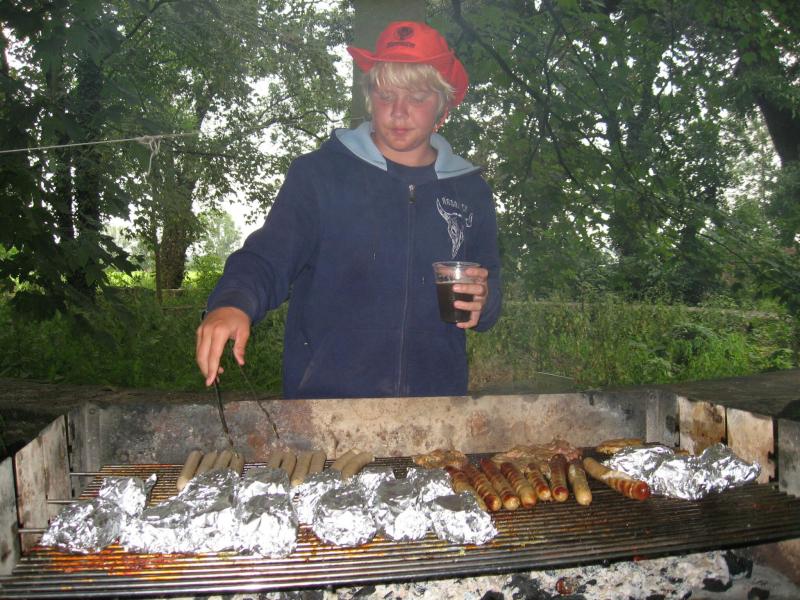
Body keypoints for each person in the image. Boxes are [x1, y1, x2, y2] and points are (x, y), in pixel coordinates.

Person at [196, 20, 502, 399]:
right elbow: (268, 256)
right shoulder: (319, 175)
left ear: (442, 104)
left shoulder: (470, 190)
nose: (399, 112)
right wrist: (232, 303)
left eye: (417, 97)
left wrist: (485, 301)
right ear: (369, 96)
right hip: (326, 404)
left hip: (435, 405)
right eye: (386, 95)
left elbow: (489, 283)